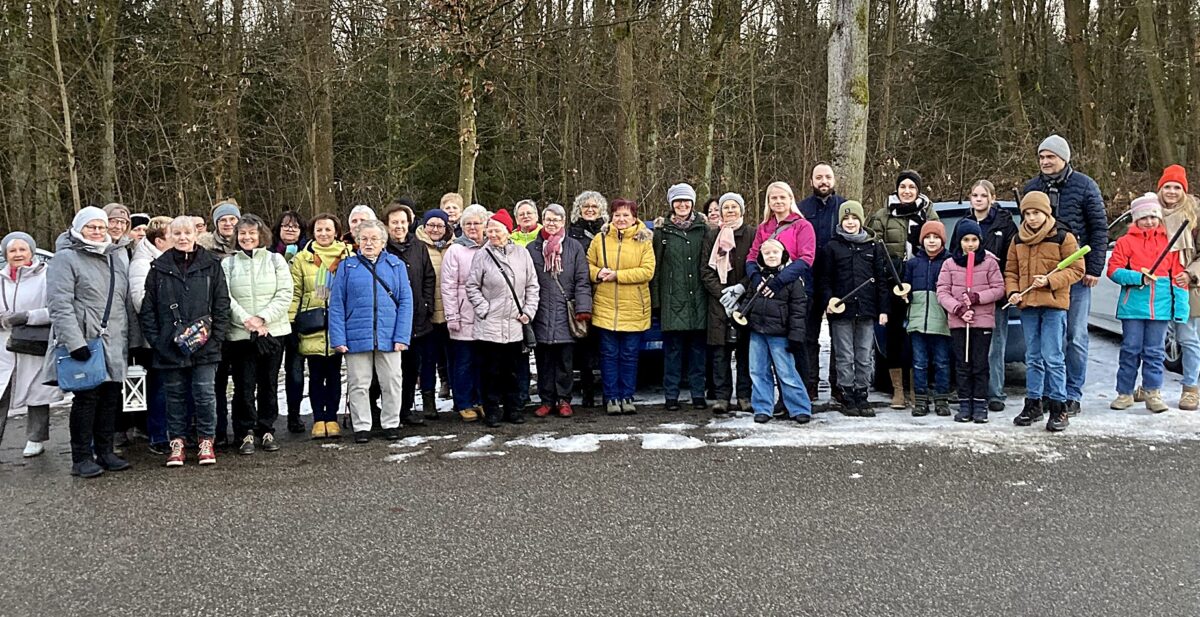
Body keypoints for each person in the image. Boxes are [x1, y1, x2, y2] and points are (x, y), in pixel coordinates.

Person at [42, 207, 134, 478]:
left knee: (109, 398)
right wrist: (74, 342)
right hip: (85, 339)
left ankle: (105, 452)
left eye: (101, 227)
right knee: (86, 399)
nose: (96, 232)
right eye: (91, 227)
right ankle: (81, 457)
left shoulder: (115, 258)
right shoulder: (65, 259)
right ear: (78, 228)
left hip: (114, 339)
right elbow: (59, 304)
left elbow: (122, 303)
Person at [1023, 135, 1108, 416]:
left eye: (1051, 157)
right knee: (1050, 341)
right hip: (1043, 278)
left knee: (1075, 336)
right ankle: (1050, 392)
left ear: (1064, 158)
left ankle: (1072, 394)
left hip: (1076, 275)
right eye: (1042, 157)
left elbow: (1098, 229)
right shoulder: (1032, 188)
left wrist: (1094, 268)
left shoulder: (1085, 186)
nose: (1046, 162)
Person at [139, 216, 231, 466]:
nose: (182, 238)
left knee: (204, 395)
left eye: (187, 232)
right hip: (169, 346)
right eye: (176, 233)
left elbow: (222, 304)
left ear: (195, 234)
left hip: (206, 344)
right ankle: (177, 442)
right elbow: (148, 311)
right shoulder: (158, 268)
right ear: (169, 236)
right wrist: (158, 342)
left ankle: (205, 441)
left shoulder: (211, 264)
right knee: (175, 397)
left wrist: (216, 338)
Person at [1005, 191, 1084, 432]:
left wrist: (1050, 281)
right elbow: (1011, 271)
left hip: (1053, 307)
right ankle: (1033, 403)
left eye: (1036, 213)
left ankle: (1059, 406)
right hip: (1028, 307)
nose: (1032, 218)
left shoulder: (1063, 237)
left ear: (1046, 212)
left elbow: (1077, 269)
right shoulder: (1017, 239)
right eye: (1027, 213)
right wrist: (1013, 292)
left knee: (1053, 356)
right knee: (1033, 357)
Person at [329, 219, 413, 443]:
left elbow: (406, 302)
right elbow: (336, 304)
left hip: (389, 334)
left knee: (392, 382)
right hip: (356, 334)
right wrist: (338, 337)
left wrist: (402, 336)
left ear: (383, 242)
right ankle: (362, 426)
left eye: (374, 238)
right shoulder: (347, 267)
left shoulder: (395, 265)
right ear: (357, 241)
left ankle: (391, 423)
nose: (368, 243)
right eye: (363, 238)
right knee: (358, 383)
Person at [1106, 194, 1189, 413]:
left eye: (1153, 217)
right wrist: (1138, 277)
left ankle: (1152, 392)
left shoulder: (1168, 243)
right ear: (1136, 219)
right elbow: (1114, 270)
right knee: (1130, 349)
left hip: (1160, 309)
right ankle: (1124, 392)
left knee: (1155, 351)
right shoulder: (1125, 242)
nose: (1149, 221)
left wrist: (1181, 308)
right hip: (1132, 307)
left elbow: (1178, 278)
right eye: (1144, 218)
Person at [223, 214, 293, 455]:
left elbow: (285, 293)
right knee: (243, 386)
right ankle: (245, 433)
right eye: (242, 233)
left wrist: (263, 318)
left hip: (272, 333)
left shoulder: (276, 261)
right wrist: (247, 320)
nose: (247, 237)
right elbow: (226, 298)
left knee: (268, 383)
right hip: (241, 335)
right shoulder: (228, 264)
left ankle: (266, 428)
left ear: (260, 234)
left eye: (252, 232)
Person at [868, 170, 938, 409]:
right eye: (903, 186)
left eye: (912, 187)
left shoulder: (927, 213)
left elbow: (936, 241)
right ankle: (898, 390)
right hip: (892, 280)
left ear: (918, 190)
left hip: (919, 278)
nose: (907, 191)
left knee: (917, 335)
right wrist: (888, 269)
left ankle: (915, 387)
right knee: (895, 335)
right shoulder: (882, 214)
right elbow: (874, 246)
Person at [745, 180, 816, 415]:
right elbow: (752, 256)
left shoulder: (802, 226)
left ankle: (797, 403)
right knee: (762, 360)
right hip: (764, 294)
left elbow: (806, 258)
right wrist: (757, 279)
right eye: (773, 198)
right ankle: (766, 405)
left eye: (782, 197)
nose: (778, 201)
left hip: (791, 290)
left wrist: (778, 281)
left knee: (792, 352)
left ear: (790, 199)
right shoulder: (764, 227)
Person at [466, 209, 540, 427]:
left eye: (497, 230)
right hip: (490, 325)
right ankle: (492, 411)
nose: (493, 234)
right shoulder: (482, 255)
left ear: (508, 231)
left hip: (516, 324)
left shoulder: (522, 253)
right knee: (491, 372)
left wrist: (528, 311)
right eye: (489, 230)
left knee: (514, 371)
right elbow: (472, 286)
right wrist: (484, 309)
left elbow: (532, 286)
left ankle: (514, 409)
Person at [815, 201, 889, 417]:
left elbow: (882, 281)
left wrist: (883, 309)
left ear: (861, 220)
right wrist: (828, 300)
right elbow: (824, 280)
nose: (850, 222)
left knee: (864, 355)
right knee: (844, 355)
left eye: (854, 218)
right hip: (841, 312)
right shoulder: (831, 247)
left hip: (867, 310)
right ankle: (847, 394)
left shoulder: (873, 246)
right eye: (846, 219)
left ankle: (862, 393)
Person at [953, 180, 1018, 412]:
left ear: (992, 198)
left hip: (994, 297)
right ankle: (968, 392)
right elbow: (953, 258)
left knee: (994, 347)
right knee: (967, 348)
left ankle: (994, 393)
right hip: (966, 299)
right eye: (975, 195)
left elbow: (1013, 259)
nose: (978, 199)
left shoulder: (1005, 224)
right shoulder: (963, 223)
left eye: (983, 195)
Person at [587, 198, 655, 414]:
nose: (621, 219)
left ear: (634, 218)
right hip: (605, 307)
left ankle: (627, 396)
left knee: (629, 356)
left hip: (634, 307)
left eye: (626, 215)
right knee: (608, 355)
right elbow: (587, 265)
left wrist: (617, 275)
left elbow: (647, 271)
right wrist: (597, 273)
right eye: (617, 215)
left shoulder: (643, 240)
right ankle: (611, 398)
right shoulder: (600, 239)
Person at [937, 220, 1006, 423]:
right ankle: (965, 404)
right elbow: (942, 291)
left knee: (980, 364)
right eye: (966, 240)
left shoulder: (990, 263)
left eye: (974, 240)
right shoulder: (949, 264)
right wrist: (958, 309)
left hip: (982, 322)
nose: (970, 244)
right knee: (962, 364)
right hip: (959, 323)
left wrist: (978, 298)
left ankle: (980, 404)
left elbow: (998, 289)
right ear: (959, 241)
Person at [0, 232, 61, 459]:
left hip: (34, 342)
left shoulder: (46, 276)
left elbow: (55, 309)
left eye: (22, 249)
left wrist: (27, 316)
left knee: (37, 392)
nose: (17, 254)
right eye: (12, 250)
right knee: (1, 390)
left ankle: (36, 438)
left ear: (31, 252)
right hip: (4, 345)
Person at [289, 213, 351, 439]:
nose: (323, 234)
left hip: (339, 323)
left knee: (335, 374)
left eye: (328, 229)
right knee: (315, 375)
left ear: (336, 232)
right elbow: (295, 291)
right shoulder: (302, 259)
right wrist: (291, 321)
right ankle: (318, 418)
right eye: (319, 230)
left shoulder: (348, 256)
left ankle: (332, 418)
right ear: (312, 233)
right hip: (311, 323)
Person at [528, 203, 592, 418]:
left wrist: (583, 308)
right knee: (544, 361)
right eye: (548, 219)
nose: (552, 223)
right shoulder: (532, 248)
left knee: (565, 362)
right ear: (542, 221)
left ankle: (564, 400)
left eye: (556, 219)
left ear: (563, 221)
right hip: (541, 311)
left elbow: (583, 280)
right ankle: (546, 400)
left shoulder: (574, 247)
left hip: (567, 313)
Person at [654, 183, 709, 411]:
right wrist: (657, 302)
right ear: (671, 204)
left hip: (699, 299)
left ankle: (698, 395)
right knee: (673, 353)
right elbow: (655, 269)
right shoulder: (662, 232)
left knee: (698, 353)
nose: (682, 205)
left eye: (686, 201)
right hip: (672, 300)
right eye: (678, 201)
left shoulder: (704, 230)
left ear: (693, 203)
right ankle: (671, 396)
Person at [743, 239, 812, 424]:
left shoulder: (791, 280)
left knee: (787, 372)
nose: (771, 256)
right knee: (757, 371)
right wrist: (741, 317)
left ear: (783, 255)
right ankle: (763, 407)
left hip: (780, 334)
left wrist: (796, 335)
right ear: (761, 257)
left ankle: (799, 408)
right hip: (758, 332)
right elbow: (748, 301)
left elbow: (799, 309)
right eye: (767, 253)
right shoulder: (757, 279)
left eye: (775, 252)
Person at [700, 192, 755, 413]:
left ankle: (744, 395)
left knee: (744, 351)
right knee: (720, 353)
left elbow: (756, 265)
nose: (730, 211)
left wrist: (740, 289)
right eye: (726, 208)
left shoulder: (752, 233)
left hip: (746, 301)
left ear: (741, 210)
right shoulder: (712, 236)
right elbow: (706, 269)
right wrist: (723, 294)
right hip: (718, 303)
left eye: (734, 207)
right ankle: (722, 397)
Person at [797, 163, 848, 400]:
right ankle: (810, 385)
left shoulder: (844, 207)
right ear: (811, 181)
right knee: (809, 335)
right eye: (819, 177)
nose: (823, 181)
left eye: (828, 177)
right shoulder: (801, 209)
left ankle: (838, 385)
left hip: (838, 282)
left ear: (834, 180)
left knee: (839, 336)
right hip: (808, 280)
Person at [385, 201, 436, 426]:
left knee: (411, 368)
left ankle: (405, 410)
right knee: (388, 372)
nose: (399, 226)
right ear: (386, 225)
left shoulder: (419, 247)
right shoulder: (381, 248)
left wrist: (426, 306)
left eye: (403, 222)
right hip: (389, 321)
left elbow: (428, 278)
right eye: (394, 222)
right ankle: (388, 412)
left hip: (416, 319)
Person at [128, 216, 174, 454]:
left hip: (172, 333)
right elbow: (141, 302)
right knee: (159, 386)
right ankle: (158, 436)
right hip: (155, 337)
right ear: (159, 241)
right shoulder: (143, 263)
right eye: (172, 235)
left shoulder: (167, 258)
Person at [1157, 165, 1200, 410]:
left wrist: (1190, 274)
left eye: (1177, 187)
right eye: (1167, 187)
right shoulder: (1150, 214)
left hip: (1185, 285)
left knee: (1188, 338)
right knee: (1153, 341)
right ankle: (1151, 388)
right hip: (1158, 286)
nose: (1171, 192)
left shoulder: (1195, 218)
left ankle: (1191, 388)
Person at [442, 204, 489, 421]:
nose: (472, 227)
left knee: (483, 361)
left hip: (488, 316)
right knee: (463, 361)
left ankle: (481, 399)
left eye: (477, 223)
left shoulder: (491, 248)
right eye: (468, 223)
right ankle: (463, 402)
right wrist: (453, 315)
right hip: (463, 313)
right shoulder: (455, 250)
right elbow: (448, 286)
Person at [199, 198, 240, 444]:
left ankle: (242, 428)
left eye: (232, 219)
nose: (228, 224)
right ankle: (218, 430)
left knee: (244, 382)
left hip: (241, 322)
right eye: (223, 220)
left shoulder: (249, 240)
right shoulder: (204, 248)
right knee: (217, 381)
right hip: (215, 322)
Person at [902, 221, 952, 417]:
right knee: (919, 362)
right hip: (917, 320)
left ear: (942, 240)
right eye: (928, 237)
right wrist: (904, 293)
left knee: (942, 361)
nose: (932, 241)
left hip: (941, 320)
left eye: (936, 237)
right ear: (922, 240)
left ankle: (941, 399)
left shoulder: (949, 262)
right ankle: (920, 400)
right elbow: (905, 285)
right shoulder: (913, 263)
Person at [569, 190, 609, 407]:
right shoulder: (572, 233)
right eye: (586, 207)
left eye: (594, 206)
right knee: (584, 343)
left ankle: (608, 388)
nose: (590, 210)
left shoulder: (609, 231)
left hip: (606, 293)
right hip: (581, 293)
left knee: (605, 342)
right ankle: (587, 390)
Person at [270, 210, 308, 433]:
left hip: (298, 320)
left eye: (295, 226)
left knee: (295, 370)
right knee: (270, 372)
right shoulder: (267, 253)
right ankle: (269, 416)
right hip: (273, 319)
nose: (290, 230)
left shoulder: (307, 252)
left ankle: (294, 414)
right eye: (286, 226)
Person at [417, 208, 453, 413]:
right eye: (431, 225)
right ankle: (428, 401)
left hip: (451, 313)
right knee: (428, 360)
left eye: (440, 225)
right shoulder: (417, 246)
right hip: (428, 313)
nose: (435, 229)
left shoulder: (455, 246)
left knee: (454, 357)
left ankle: (460, 396)